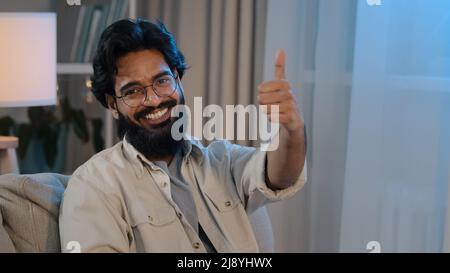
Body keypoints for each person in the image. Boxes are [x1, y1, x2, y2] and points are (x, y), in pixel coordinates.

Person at [59, 19, 307, 253]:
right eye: (133, 91)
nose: (154, 99)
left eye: (162, 81)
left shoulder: (222, 161)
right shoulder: (93, 186)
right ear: (113, 105)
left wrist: (292, 129)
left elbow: (280, 176)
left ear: (178, 79)